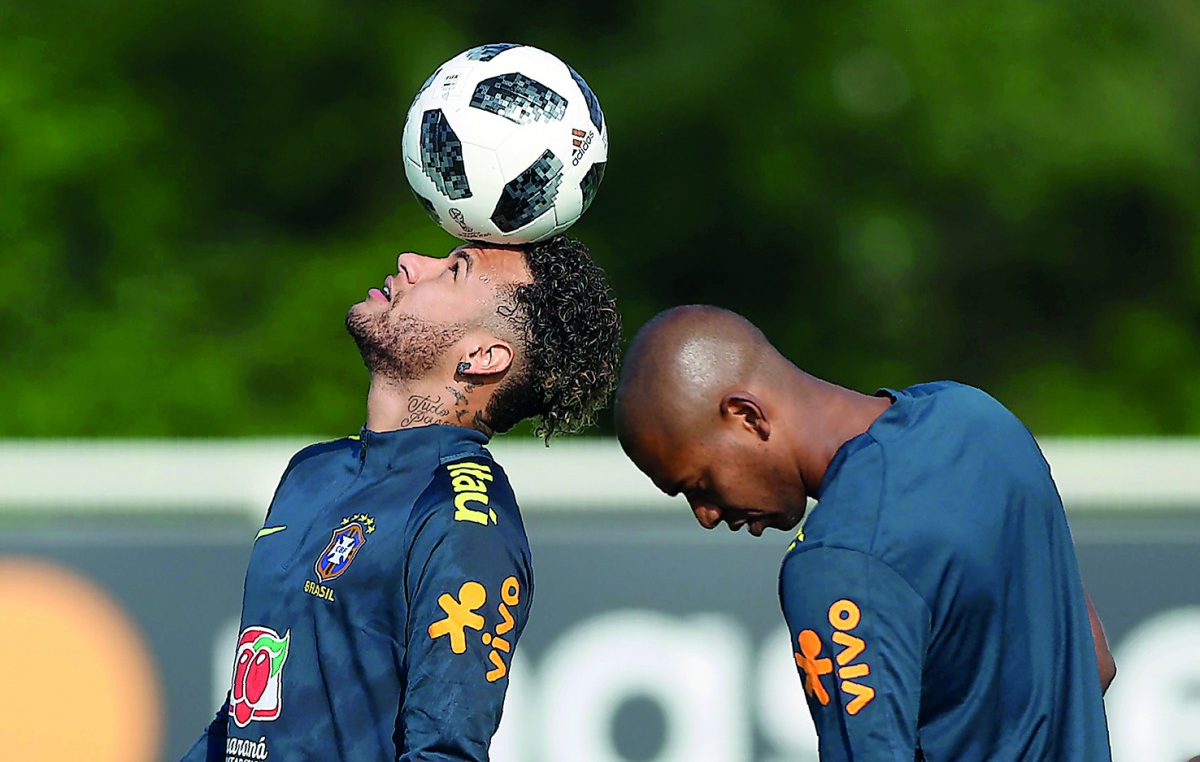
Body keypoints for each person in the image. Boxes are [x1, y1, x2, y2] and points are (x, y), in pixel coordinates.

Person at [183, 235, 621, 762]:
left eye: (455, 270)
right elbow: (244, 725)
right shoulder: (313, 471)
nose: (411, 262)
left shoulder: (464, 520)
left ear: (481, 356)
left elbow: (444, 754)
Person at [614, 304, 1114, 761]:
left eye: (698, 484)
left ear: (747, 416)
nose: (705, 515)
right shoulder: (979, 416)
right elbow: (1093, 662)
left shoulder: (838, 558)